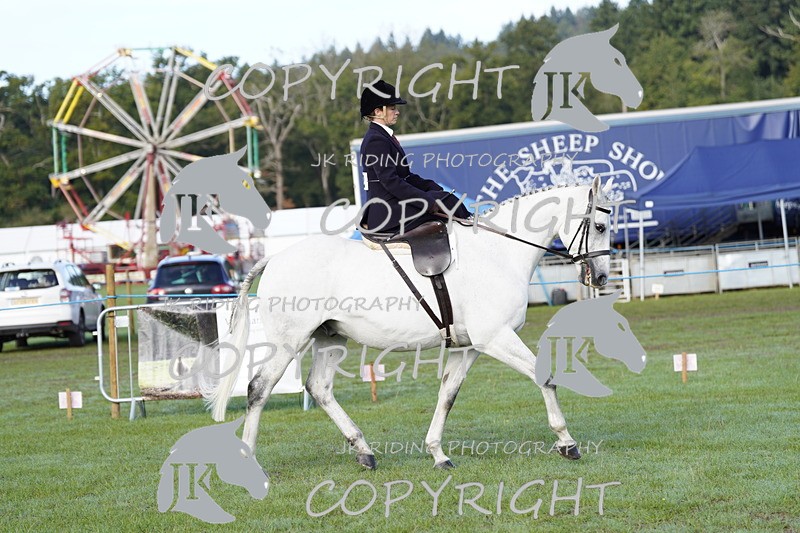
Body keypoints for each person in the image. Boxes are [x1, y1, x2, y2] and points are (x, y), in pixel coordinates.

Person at [359, 80, 470, 235]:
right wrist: (425, 201)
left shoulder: (382, 136)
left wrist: (430, 186)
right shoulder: (376, 140)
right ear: (378, 111)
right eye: (392, 108)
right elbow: (390, 181)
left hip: (394, 204)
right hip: (387, 211)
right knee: (448, 202)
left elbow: (406, 177)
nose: (397, 112)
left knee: (446, 197)